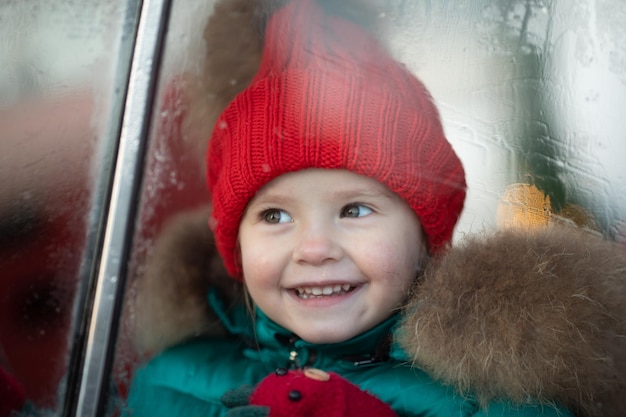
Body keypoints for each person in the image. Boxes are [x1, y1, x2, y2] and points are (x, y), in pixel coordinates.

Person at [123, 0, 625, 416]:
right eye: (275, 216)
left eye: (355, 211)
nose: (315, 248)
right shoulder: (168, 386)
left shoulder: (503, 397)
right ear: (234, 242)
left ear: (425, 238)